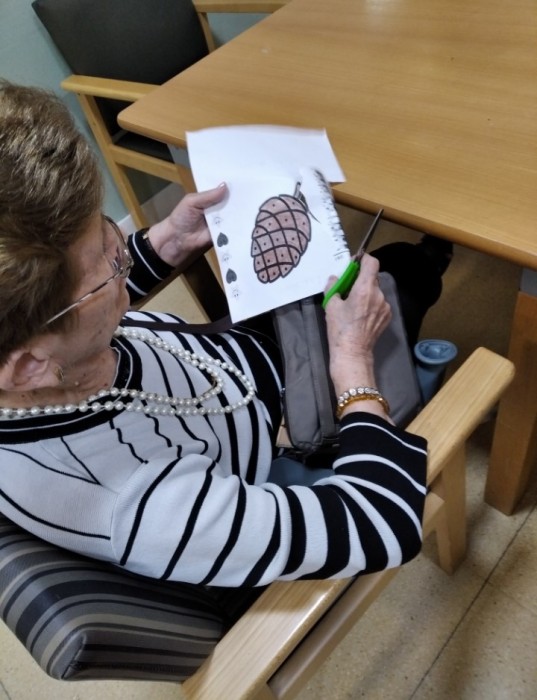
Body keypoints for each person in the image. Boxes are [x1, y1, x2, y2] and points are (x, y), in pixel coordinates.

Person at [0, 82, 450, 588]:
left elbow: (60, 310)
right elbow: (382, 522)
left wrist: (169, 241)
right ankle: (428, 264)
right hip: (281, 417)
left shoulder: (36, 349)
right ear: (29, 367)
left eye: (109, 231)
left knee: (345, 271)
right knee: (401, 272)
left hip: (220, 361)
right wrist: (353, 360)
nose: (122, 251)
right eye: (107, 261)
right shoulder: (140, 507)